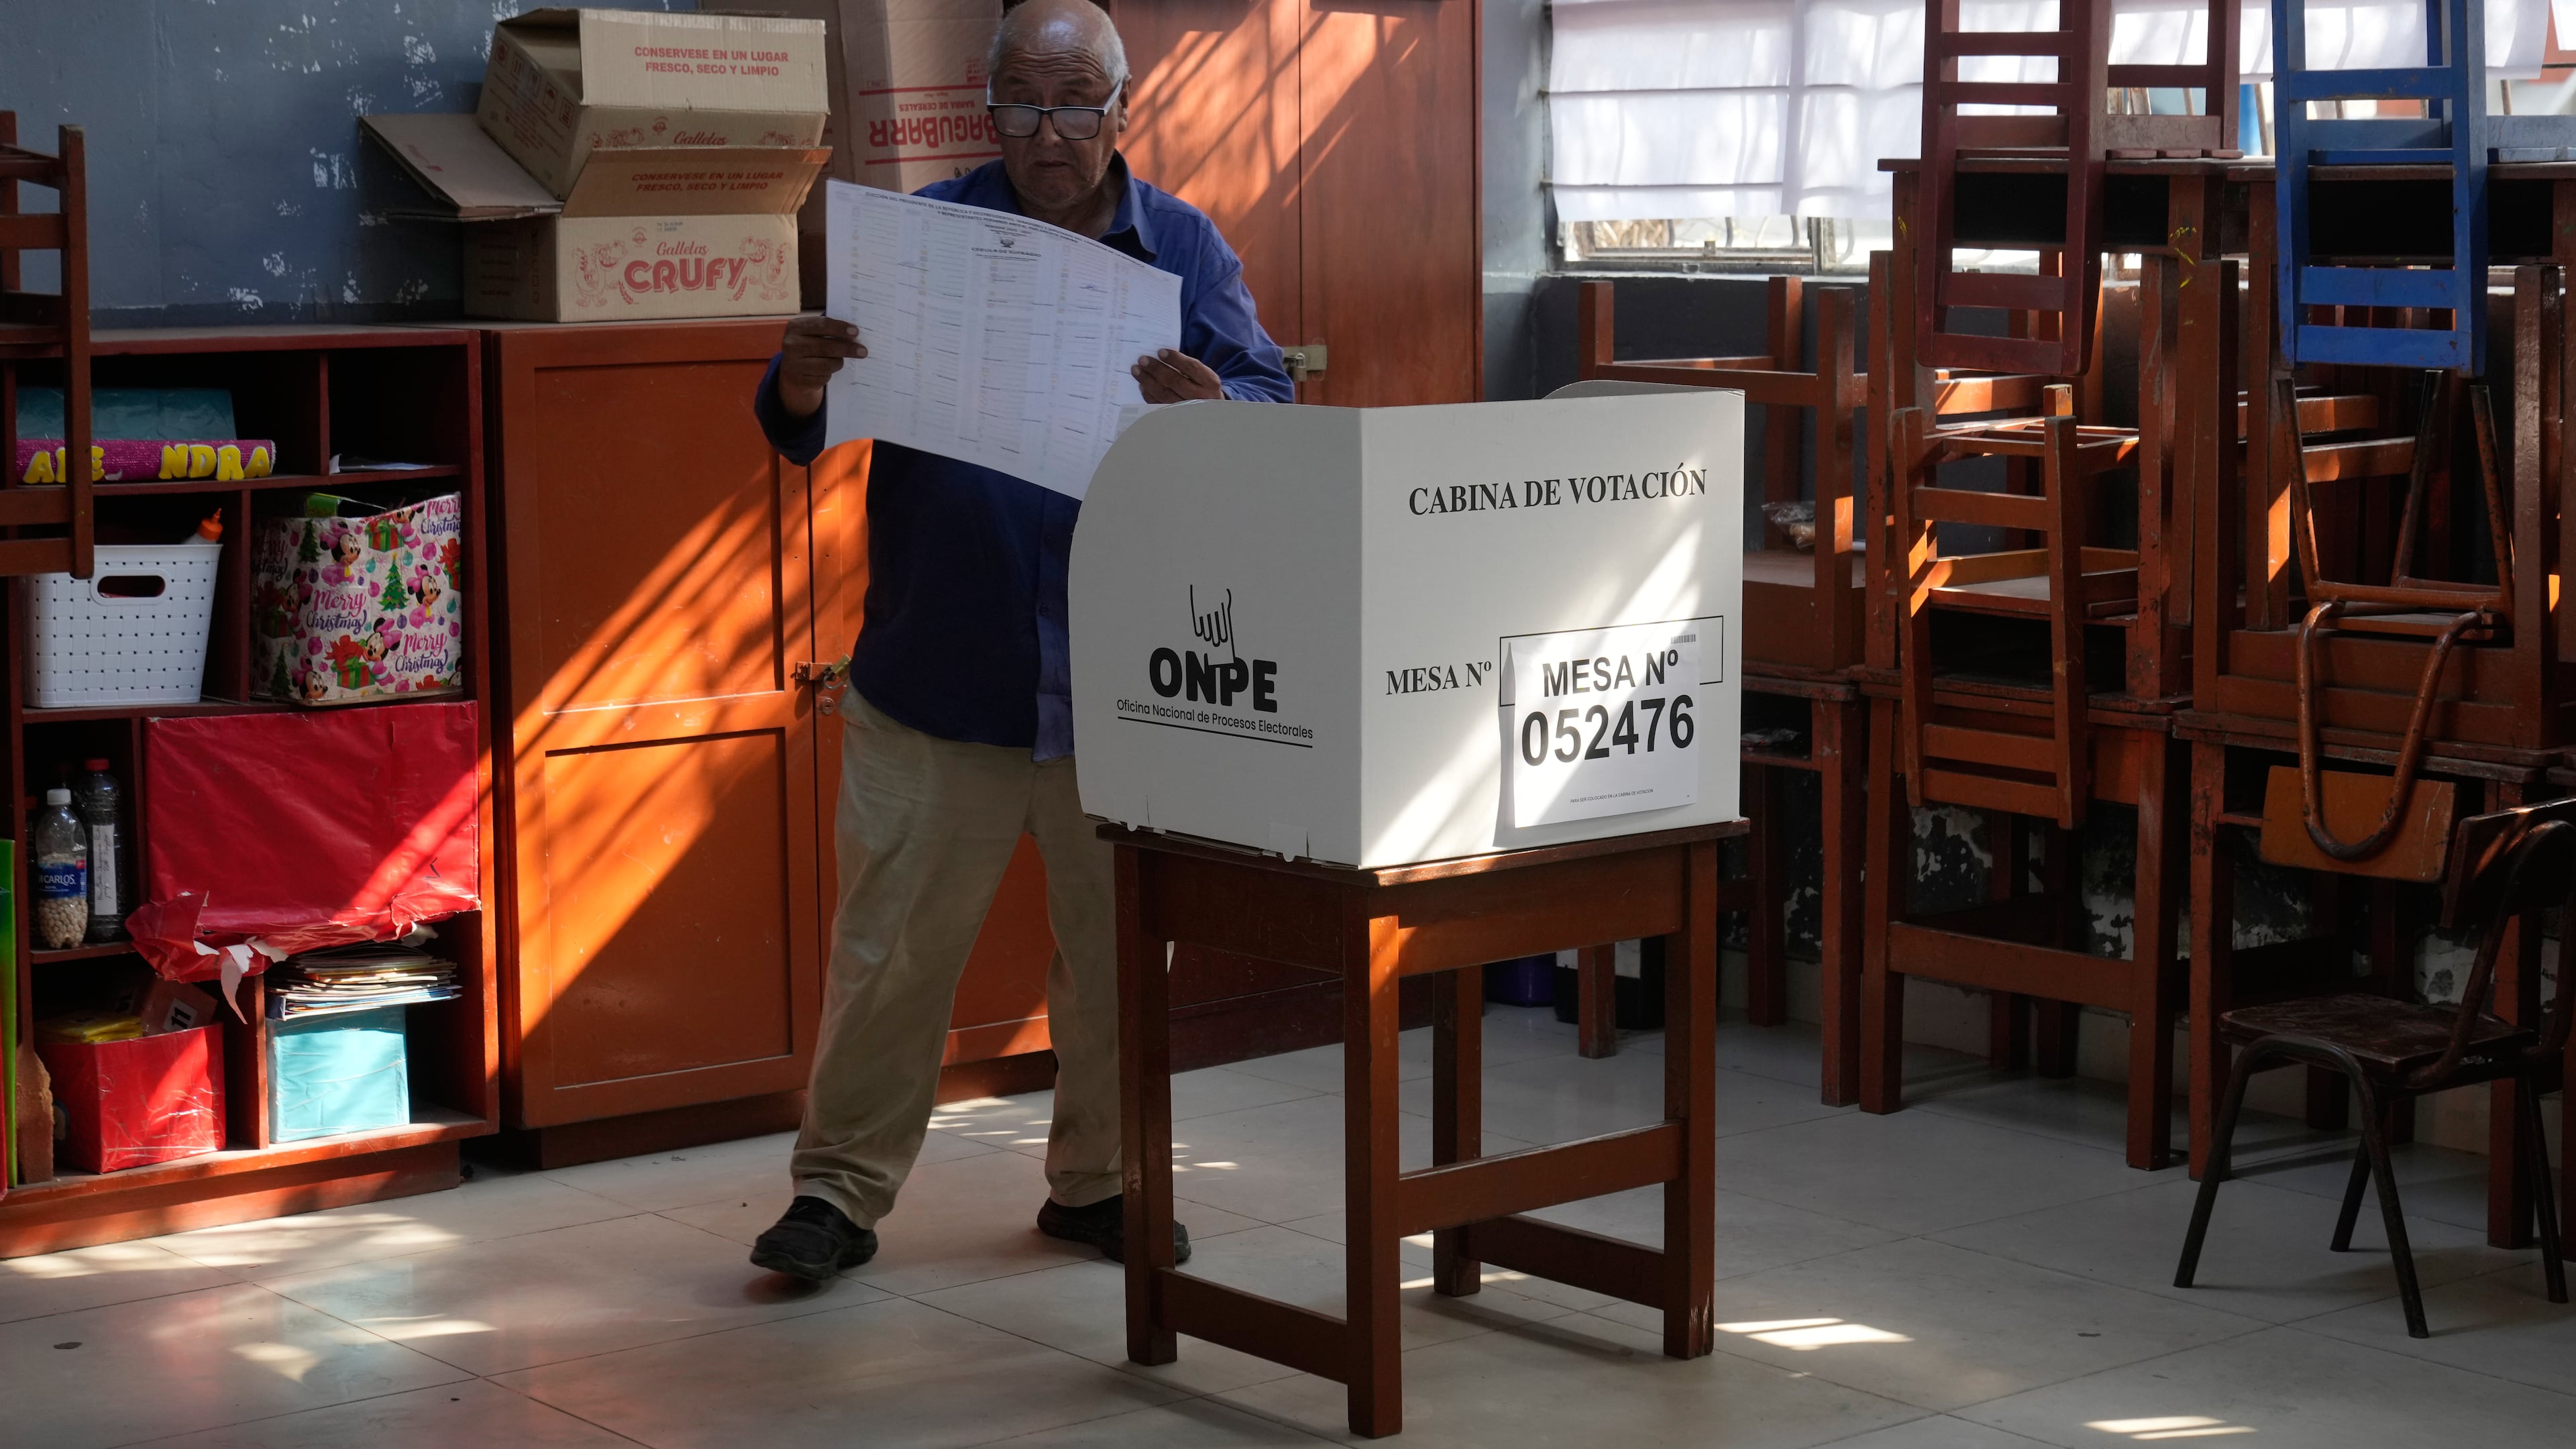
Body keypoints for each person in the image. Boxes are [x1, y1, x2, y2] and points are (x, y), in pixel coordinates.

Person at [745, 0, 1295, 1281]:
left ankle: (1101, 1185)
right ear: (986, 112)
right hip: (944, 664)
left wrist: (1217, 403)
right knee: (891, 959)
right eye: (1022, 105)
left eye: (1075, 105)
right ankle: (837, 1197)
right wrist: (806, 383)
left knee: (1114, 959)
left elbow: (1271, 392)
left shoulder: (1184, 247)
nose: (1049, 133)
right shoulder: (927, 236)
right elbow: (801, 424)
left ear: (1121, 115)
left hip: (1122, 678)